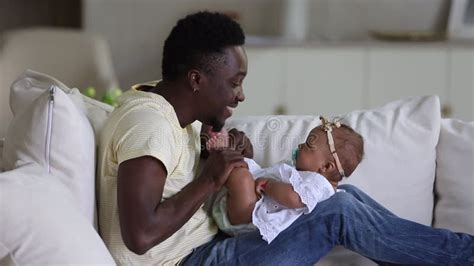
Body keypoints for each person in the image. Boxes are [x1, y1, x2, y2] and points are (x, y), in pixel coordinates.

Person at [97, 11, 474, 265]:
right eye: (234, 83)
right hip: (191, 260)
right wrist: (210, 178)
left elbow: (179, 180)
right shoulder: (147, 122)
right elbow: (141, 234)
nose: (240, 96)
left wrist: (224, 154)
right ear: (197, 80)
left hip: (214, 245)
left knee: (341, 195)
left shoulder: (180, 117)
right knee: (337, 213)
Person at [210, 117, 364, 244]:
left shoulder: (319, 183)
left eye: (308, 146)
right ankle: (223, 153)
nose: (300, 145)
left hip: (249, 216)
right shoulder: (307, 175)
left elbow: (295, 198)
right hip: (252, 208)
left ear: (326, 167)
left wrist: (268, 184)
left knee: (241, 177)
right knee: (242, 169)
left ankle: (221, 152)